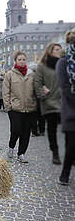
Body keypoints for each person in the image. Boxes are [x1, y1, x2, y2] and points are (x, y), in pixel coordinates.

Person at [2, 51, 37, 163]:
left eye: (23, 59)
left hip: (29, 108)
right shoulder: (10, 74)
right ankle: (11, 147)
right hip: (15, 108)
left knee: (26, 132)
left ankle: (21, 153)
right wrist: (8, 105)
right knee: (16, 130)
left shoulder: (31, 74)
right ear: (15, 61)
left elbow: (36, 89)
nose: (22, 61)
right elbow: (5, 91)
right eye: (19, 59)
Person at [34, 43, 62, 164]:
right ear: (50, 51)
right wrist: (42, 92)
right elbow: (37, 83)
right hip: (50, 102)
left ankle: (70, 154)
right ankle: (55, 152)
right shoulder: (42, 66)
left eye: (60, 50)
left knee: (69, 130)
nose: (59, 52)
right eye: (56, 50)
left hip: (64, 102)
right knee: (52, 129)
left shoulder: (63, 64)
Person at [56, 28, 75, 185]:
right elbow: (65, 87)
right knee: (71, 145)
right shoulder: (63, 62)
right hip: (71, 110)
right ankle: (65, 174)